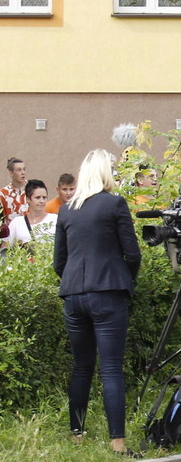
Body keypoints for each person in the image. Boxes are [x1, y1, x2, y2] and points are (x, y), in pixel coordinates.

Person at [52, 149, 141, 456]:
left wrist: (76, 282)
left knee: (81, 366)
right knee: (111, 368)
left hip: (73, 293)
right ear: (106, 173)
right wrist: (126, 280)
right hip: (109, 291)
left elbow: (58, 262)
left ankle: (76, 433)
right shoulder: (114, 203)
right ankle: (117, 441)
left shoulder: (67, 209)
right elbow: (132, 253)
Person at [5, 179, 57, 248]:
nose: (42, 201)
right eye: (37, 197)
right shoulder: (17, 223)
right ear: (28, 199)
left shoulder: (55, 219)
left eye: (44, 197)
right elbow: (5, 250)